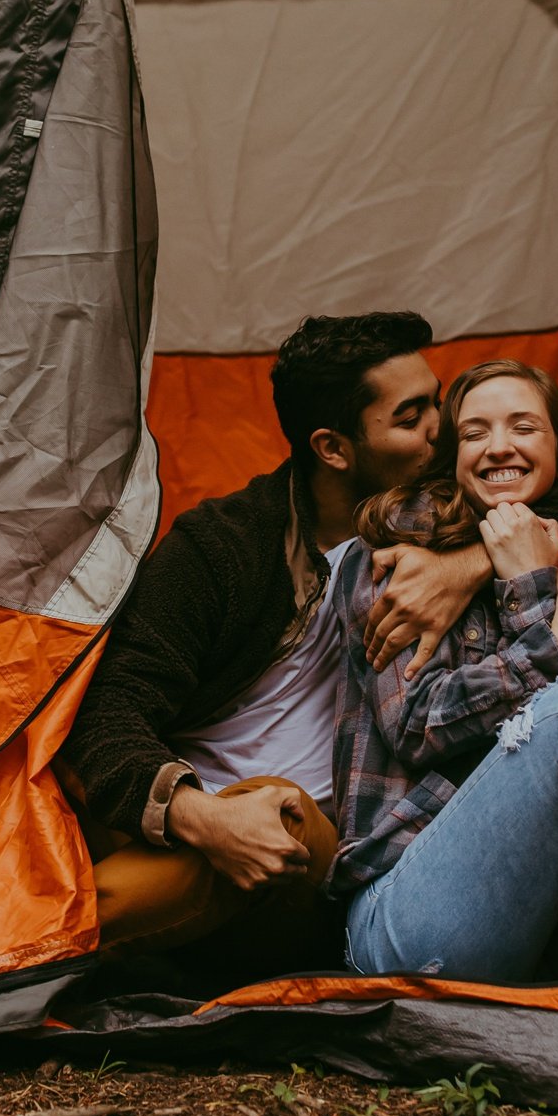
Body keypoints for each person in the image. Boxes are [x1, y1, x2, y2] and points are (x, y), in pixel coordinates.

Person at [60, 311, 495, 981]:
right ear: (332, 448)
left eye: (436, 402)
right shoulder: (223, 546)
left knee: (280, 808)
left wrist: (472, 562)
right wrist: (200, 816)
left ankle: (3, 959)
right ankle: (18, 947)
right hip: (191, 817)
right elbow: (111, 711)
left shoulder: (457, 516)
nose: (441, 431)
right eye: (410, 418)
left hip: (316, 852)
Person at [327, 358, 558, 985]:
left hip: (542, 916)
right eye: (474, 433)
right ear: (450, 455)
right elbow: (414, 722)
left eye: (524, 427)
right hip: (403, 916)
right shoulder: (399, 548)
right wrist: (550, 635)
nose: (500, 446)